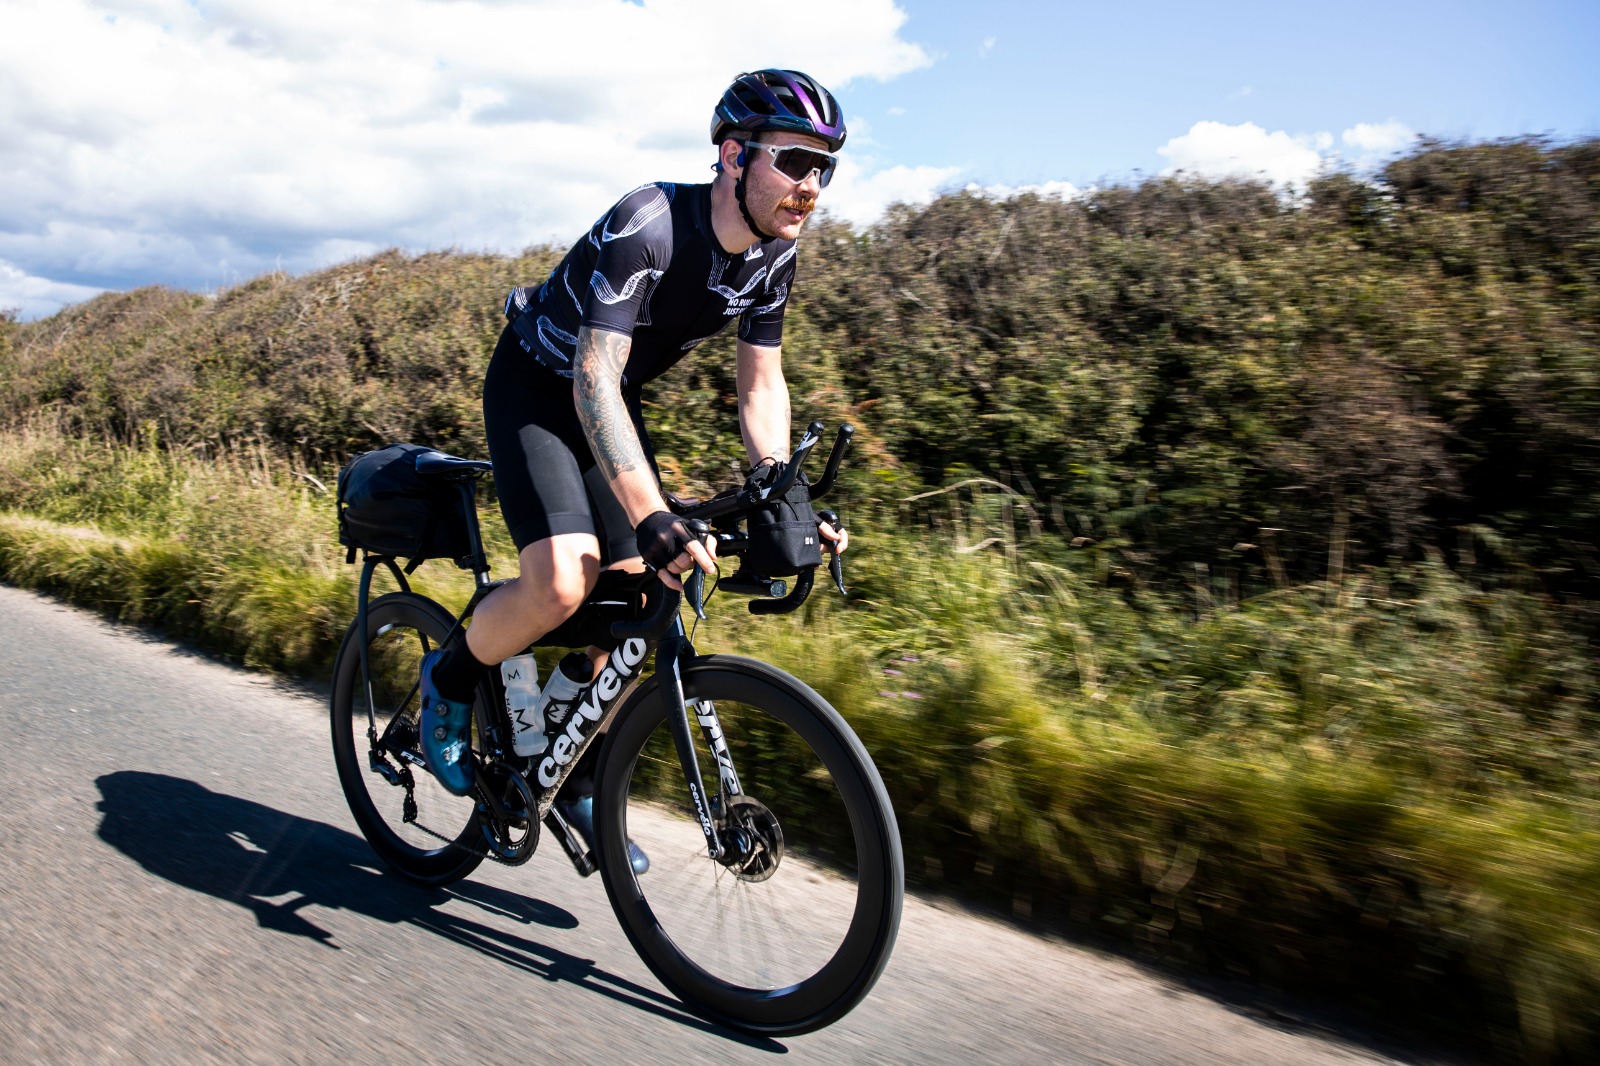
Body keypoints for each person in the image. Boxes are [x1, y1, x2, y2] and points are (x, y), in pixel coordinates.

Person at [415, 69, 850, 868]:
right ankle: (450, 678)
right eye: (794, 162)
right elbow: (590, 378)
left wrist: (784, 498)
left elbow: (761, 386)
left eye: (824, 166)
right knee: (564, 583)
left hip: (611, 401)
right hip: (540, 388)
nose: (811, 186)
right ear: (733, 155)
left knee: (646, 594)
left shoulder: (774, 256)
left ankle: (571, 769)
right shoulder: (648, 223)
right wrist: (650, 513)